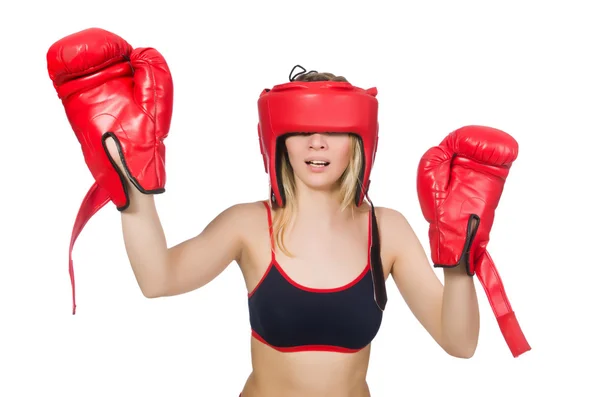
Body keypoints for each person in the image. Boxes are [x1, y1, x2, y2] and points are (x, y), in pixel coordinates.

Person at [48, 29, 528, 397]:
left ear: (359, 143)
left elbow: (458, 343)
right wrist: (131, 184)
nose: (316, 143)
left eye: (333, 131)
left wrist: (460, 256)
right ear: (278, 141)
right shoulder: (248, 224)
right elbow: (159, 280)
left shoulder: (388, 230)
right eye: (301, 131)